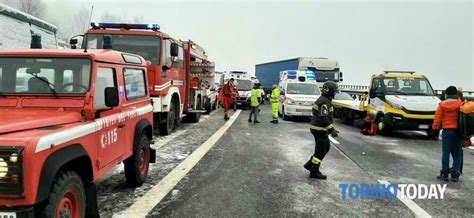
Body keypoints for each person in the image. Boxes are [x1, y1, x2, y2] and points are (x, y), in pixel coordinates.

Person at [304, 81, 339, 179]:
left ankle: (309, 164)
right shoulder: (325, 101)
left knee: (325, 148)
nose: (335, 93)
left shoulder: (323, 99)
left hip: (318, 128)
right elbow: (323, 118)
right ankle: (314, 171)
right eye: (334, 91)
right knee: (320, 151)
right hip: (319, 129)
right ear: (330, 91)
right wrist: (332, 129)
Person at [433, 86, 463, 182]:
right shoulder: (461, 103)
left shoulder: (442, 105)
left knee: (446, 153)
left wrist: (435, 131)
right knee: (458, 154)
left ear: (447, 94)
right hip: (459, 132)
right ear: (456, 94)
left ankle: (445, 174)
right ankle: (455, 175)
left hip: (447, 131)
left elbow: (437, 119)